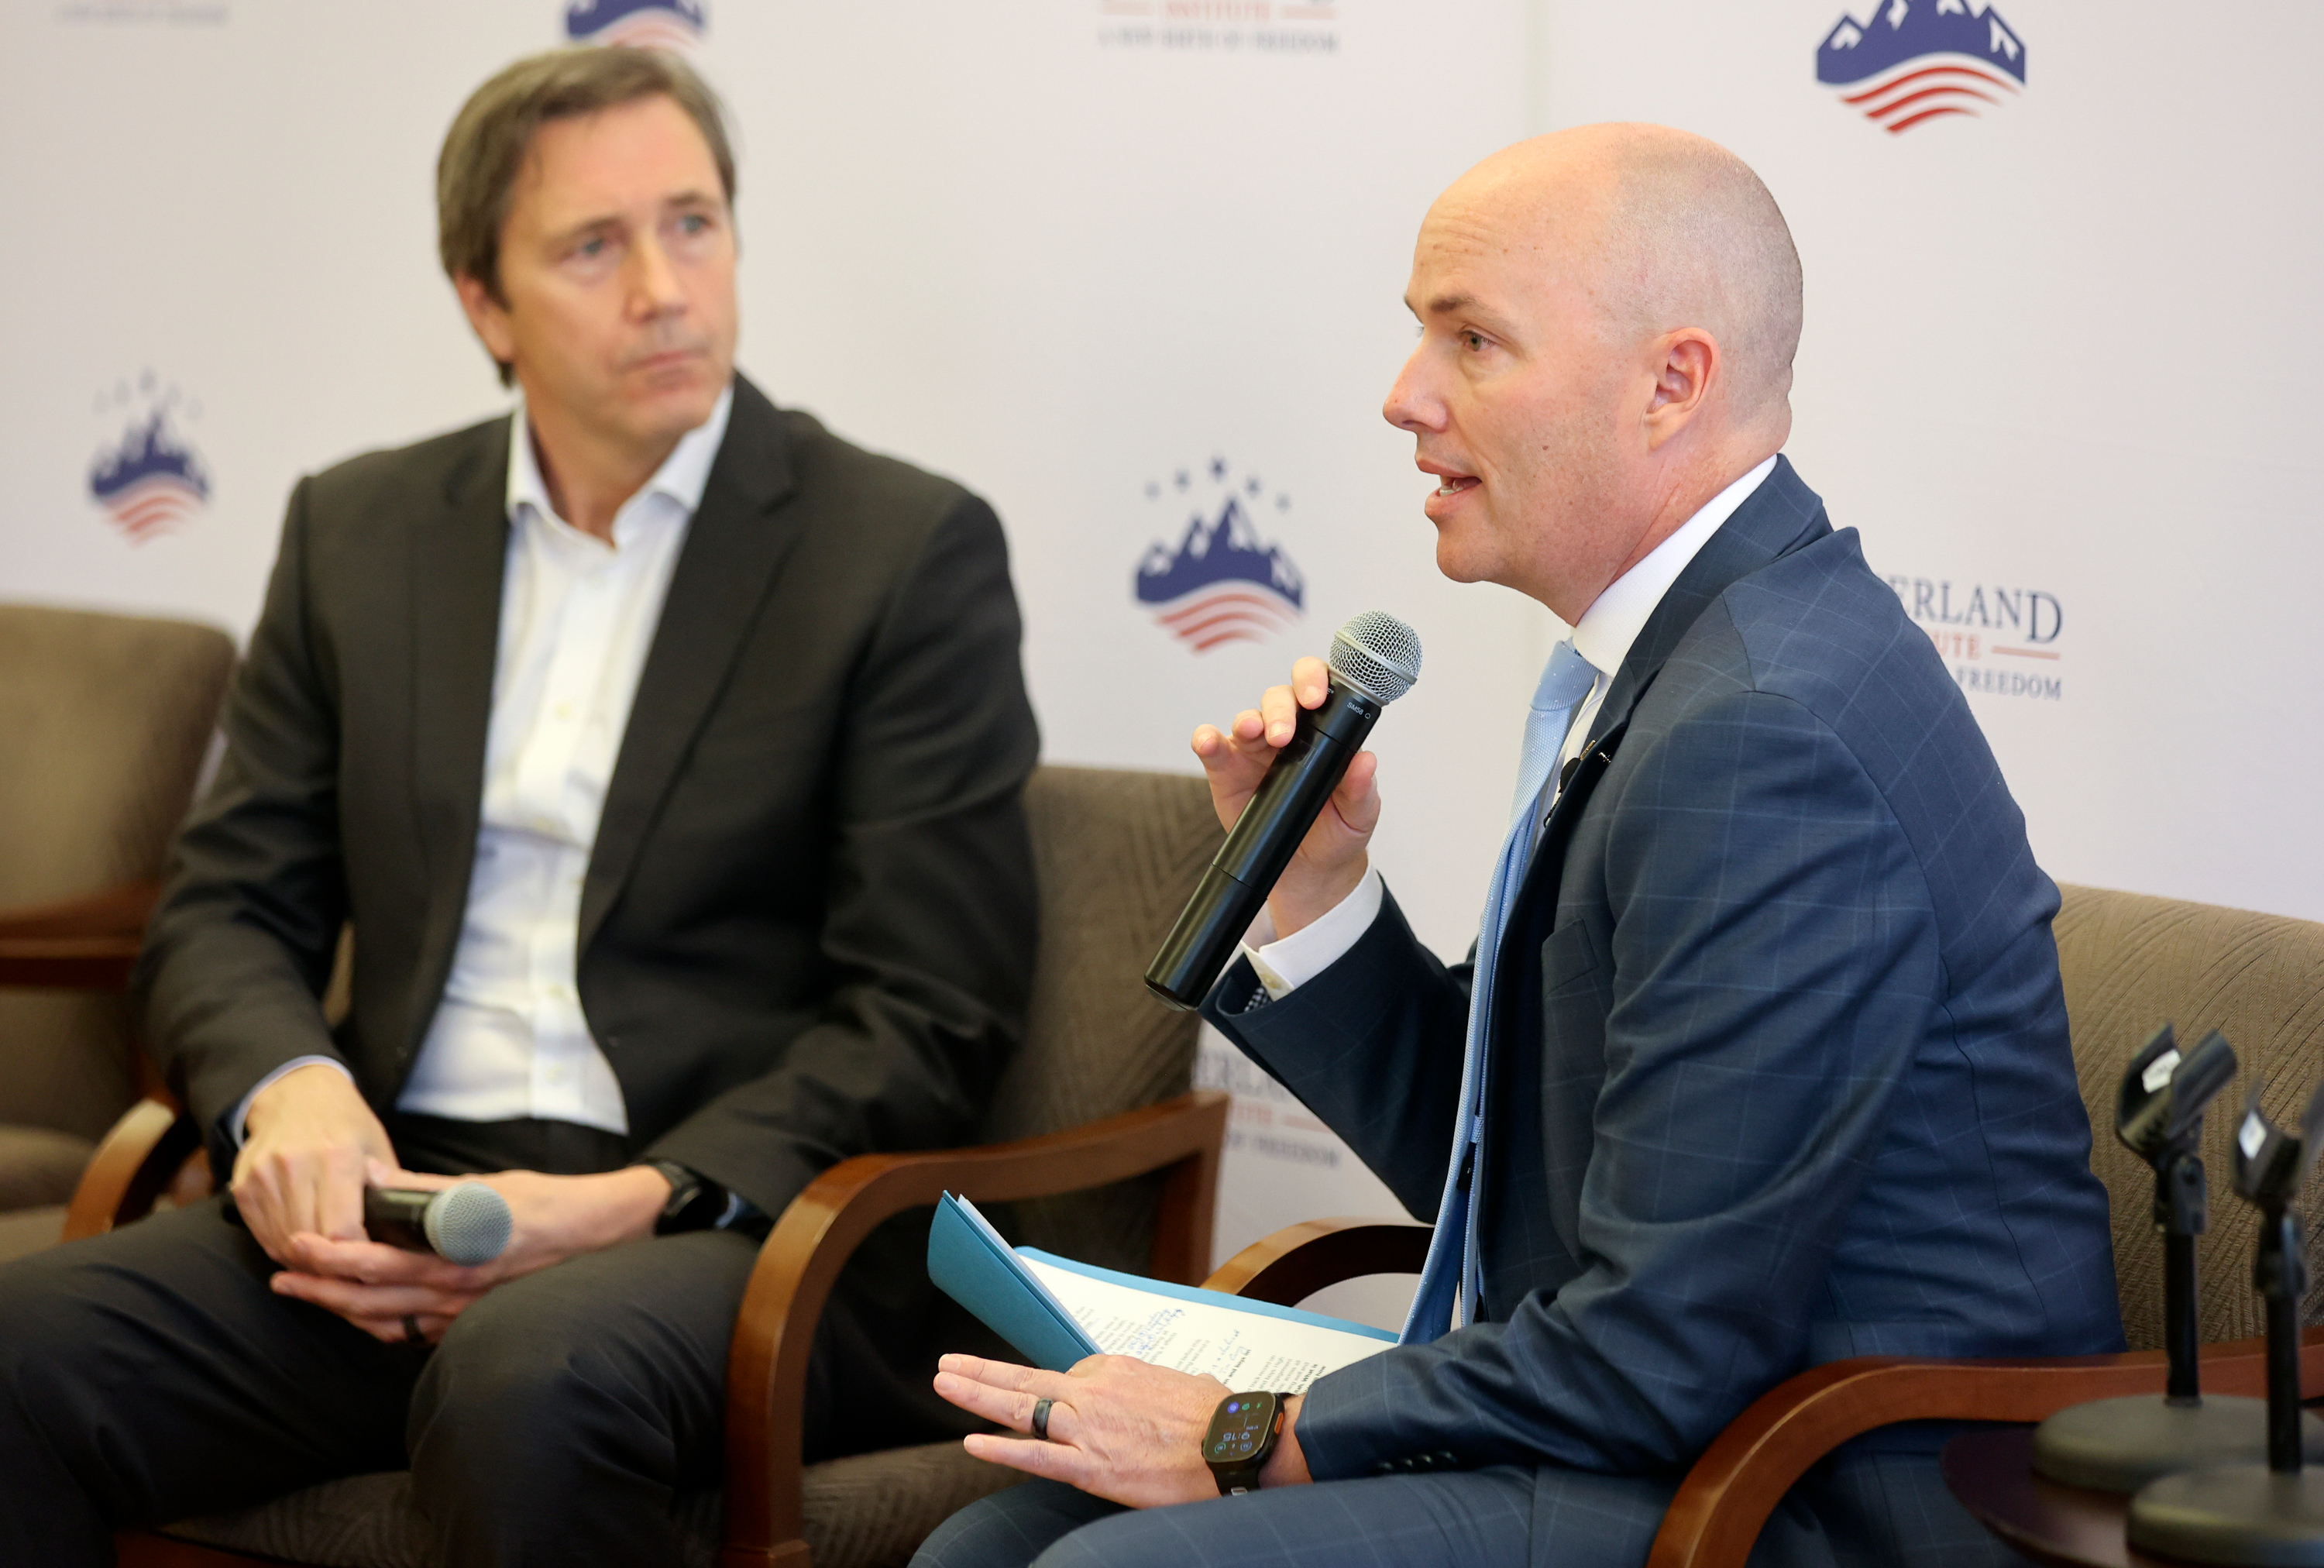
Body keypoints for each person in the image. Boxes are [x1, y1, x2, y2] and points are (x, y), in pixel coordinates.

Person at [911, 124, 2120, 1568]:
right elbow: (1522, 1186)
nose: (1404, 397)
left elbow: (1658, 1349)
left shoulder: (1763, 729)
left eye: (1474, 341)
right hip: (1679, 1442)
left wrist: (1240, 1437)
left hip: (1813, 1502)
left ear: (1672, 383)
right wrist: (1319, 895)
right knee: (994, 1545)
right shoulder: (1694, 661)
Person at [0, 46, 1039, 1568]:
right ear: (484, 304)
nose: (665, 290)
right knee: (19, 1354)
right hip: (403, 1187)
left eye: (692, 225)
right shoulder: (359, 531)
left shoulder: (898, 551)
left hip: (728, 1225)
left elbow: (930, 1010)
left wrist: (623, 1202)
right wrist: (292, 1088)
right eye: (594, 247)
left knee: (529, 1379)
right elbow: (226, 904)